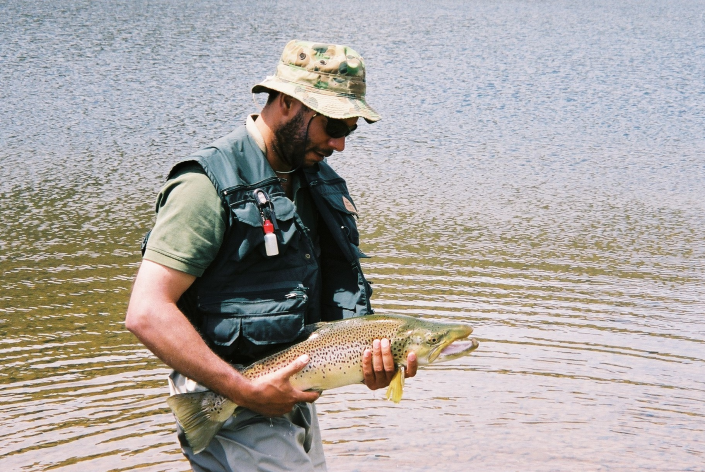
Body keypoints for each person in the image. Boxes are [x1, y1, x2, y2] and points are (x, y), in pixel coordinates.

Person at [125, 40, 418, 471]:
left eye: (349, 130)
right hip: (225, 389)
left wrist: (369, 366)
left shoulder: (313, 182)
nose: (339, 144)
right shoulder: (203, 187)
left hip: (291, 389)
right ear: (285, 102)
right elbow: (146, 313)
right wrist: (243, 391)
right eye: (333, 126)